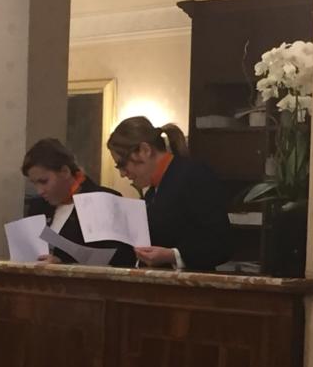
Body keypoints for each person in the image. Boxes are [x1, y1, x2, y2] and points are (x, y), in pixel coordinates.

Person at [106, 116, 231, 271]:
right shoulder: (152, 192)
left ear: (145, 150)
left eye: (123, 164)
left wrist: (173, 255)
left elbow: (221, 243)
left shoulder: (194, 175)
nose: (122, 174)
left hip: (192, 284)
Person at [21, 138, 133, 267]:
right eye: (34, 183)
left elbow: (124, 259)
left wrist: (65, 264)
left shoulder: (104, 199)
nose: (39, 191)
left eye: (44, 181)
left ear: (65, 172)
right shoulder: (38, 206)